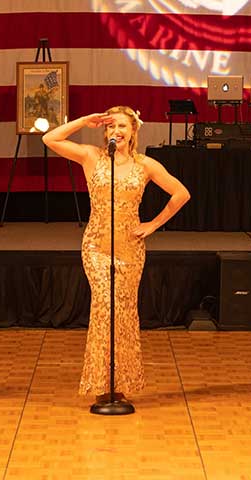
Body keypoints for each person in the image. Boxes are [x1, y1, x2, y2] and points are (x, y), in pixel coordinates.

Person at [43, 106, 191, 403]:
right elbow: (50, 139)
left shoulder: (145, 164)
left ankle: (120, 384)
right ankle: (101, 384)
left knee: (123, 314)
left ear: (134, 130)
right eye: (111, 127)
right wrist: (84, 121)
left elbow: (181, 193)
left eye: (122, 126)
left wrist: (153, 224)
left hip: (130, 247)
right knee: (104, 309)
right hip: (97, 245)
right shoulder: (91, 156)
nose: (116, 132)